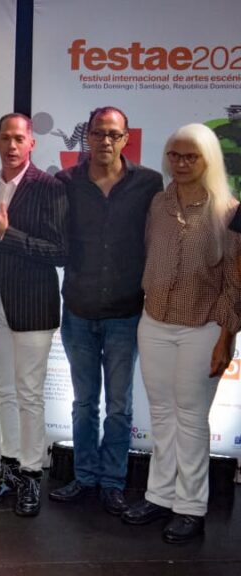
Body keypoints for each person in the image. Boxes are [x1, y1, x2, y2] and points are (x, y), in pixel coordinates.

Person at [121, 123, 241, 544]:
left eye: (192, 156)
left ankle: (190, 508)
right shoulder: (158, 203)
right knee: (161, 414)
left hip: (202, 327)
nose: (182, 163)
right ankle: (159, 496)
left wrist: (226, 336)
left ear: (209, 160)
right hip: (154, 321)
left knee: (190, 418)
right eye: (175, 155)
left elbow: (235, 282)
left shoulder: (229, 211)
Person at [49, 107, 163, 515]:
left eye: (113, 134)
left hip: (125, 312)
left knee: (119, 405)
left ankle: (113, 481)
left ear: (126, 138)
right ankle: (84, 477)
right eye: (98, 133)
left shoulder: (148, 183)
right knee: (83, 403)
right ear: (88, 137)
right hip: (78, 310)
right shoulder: (66, 182)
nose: (105, 141)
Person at [0, 114, 67, 517]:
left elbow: (59, 252)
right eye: (5, 138)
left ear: (32, 143)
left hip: (33, 306)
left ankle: (31, 473)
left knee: (29, 394)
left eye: (19, 138)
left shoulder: (50, 187)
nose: (11, 146)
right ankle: (10, 466)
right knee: (4, 392)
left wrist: (4, 232)